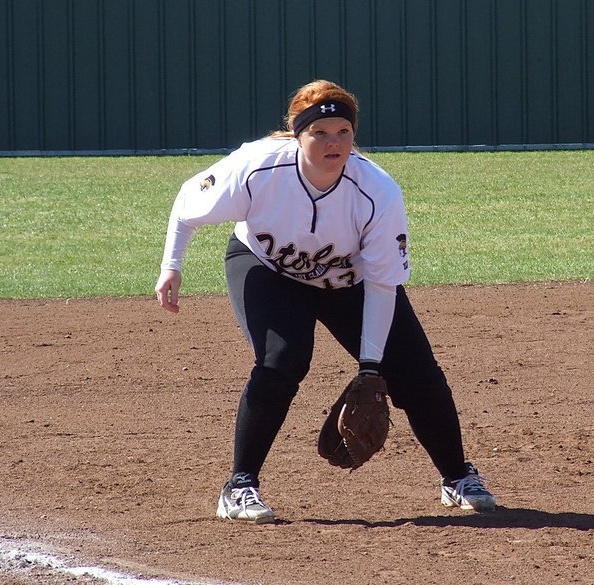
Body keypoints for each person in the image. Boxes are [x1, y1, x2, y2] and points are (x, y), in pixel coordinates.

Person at [154, 80, 495, 524]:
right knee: (281, 360)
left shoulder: (377, 191)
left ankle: (457, 477)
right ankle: (239, 486)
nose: (333, 143)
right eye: (320, 133)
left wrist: (370, 367)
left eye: (343, 132)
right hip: (268, 269)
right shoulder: (257, 169)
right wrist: (172, 265)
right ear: (298, 134)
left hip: (350, 283)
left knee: (415, 374)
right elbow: (187, 204)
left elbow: (382, 284)